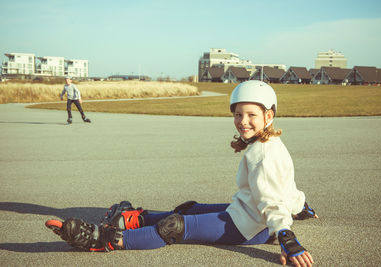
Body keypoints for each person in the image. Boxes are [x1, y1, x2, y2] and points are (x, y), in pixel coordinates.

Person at [48, 81, 317, 266]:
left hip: (246, 227)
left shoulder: (263, 152)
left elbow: (271, 197)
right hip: (246, 214)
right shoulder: (268, 143)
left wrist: (285, 235)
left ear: (268, 115)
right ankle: (133, 219)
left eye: (251, 115)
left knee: (173, 228)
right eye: (238, 114)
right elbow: (286, 186)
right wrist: (300, 206)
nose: (242, 121)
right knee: (189, 209)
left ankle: (104, 239)